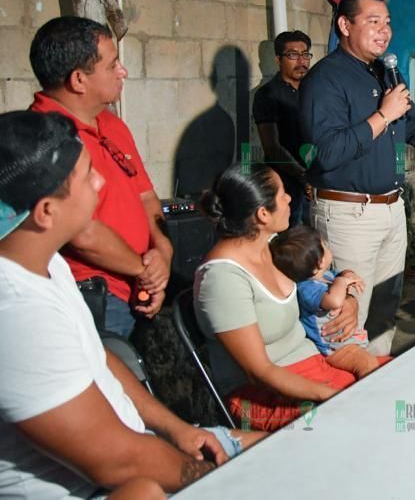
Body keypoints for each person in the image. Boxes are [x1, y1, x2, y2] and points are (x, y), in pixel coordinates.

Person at [0, 111, 264, 497]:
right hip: (108, 485)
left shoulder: (45, 260)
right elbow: (118, 461)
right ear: (46, 212)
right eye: (87, 175)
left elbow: (99, 359)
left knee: (307, 445)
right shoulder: (18, 313)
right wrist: (217, 477)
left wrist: (177, 429)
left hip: (143, 448)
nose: (100, 181)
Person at [299, 0, 415, 356]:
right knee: (347, 314)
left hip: (390, 209)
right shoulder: (325, 79)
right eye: (372, 21)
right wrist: (383, 114)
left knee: (384, 310)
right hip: (349, 212)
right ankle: (337, 397)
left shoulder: (386, 74)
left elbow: (413, 125)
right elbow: (326, 153)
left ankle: (377, 374)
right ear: (344, 25)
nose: (384, 31)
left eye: (387, 23)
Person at [194, 164, 386, 431]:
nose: (289, 199)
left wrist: (350, 300)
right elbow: (259, 372)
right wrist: (330, 396)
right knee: (372, 412)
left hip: (317, 365)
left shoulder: (274, 246)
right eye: (282, 194)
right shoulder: (222, 279)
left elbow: (324, 274)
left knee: (400, 380)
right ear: (262, 214)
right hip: (267, 394)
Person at [28, 16, 170, 336]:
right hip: (95, 297)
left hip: (140, 285)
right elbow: (81, 231)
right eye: (112, 65)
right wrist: (144, 270)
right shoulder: (41, 138)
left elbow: (145, 195)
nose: (123, 72)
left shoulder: (111, 124)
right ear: (78, 79)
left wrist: (162, 251)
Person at [269, 225, 381, 379]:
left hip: (345, 342)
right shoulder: (306, 288)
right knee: (369, 366)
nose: (328, 248)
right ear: (320, 262)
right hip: (335, 349)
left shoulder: (324, 275)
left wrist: (347, 274)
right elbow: (334, 300)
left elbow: (338, 276)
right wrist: (342, 281)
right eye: (325, 246)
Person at [253, 30, 314, 226]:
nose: (301, 61)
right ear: (278, 59)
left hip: (317, 180)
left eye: (305, 54)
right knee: (291, 242)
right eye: (293, 55)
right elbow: (272, 147)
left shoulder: (317, 90)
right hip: (286, 185)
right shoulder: (268, 94)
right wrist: (303, 177)